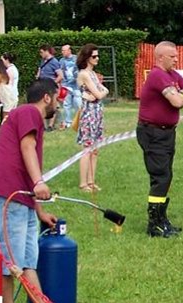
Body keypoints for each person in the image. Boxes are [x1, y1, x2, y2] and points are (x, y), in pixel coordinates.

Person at [0, 78, 80, 303]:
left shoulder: (29, 118)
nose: (57, 105)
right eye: (56, 98)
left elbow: (27, 159)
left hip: (20, 197)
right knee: (8, 257)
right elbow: (27, 146)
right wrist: (39, 181)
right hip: (5, 195)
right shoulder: (28, 112)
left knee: (27, 259)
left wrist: (39, 210)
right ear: (47, 97)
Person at [137, 41, 183, 238]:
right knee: (161, 177)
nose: (176, 59)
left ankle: (162, 219)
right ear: (160, 58)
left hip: (166, 133)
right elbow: (177, 102)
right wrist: (182, 94)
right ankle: (154, 223)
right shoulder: (157, 75)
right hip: (153, 133)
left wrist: (181, 93)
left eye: (176, 55)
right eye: (172, 56)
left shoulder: (172, 75)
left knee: (166, 176)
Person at [76, 44, 108, 193]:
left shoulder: (93, 74)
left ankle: (91, 181)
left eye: (97, 56)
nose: (97, 59)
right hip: (89, 114)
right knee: (87, 148)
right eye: (94, 56)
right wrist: (102, 91)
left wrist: (101, 91)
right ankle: (83, 184)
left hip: (97, 112)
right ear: (87, 57)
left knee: (95, 150)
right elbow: (99, 93)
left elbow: (100, 93)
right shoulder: (84, 74)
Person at [36, 45, 63, 131]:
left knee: (52, 105)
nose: (40, 54)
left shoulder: (54, 62)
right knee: (42, 105)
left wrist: (52, 83)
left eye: (41, 52)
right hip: (42, 85)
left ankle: (50, 125)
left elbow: (60, 76)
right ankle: (43, 125)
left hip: (50, 87)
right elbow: (40, 70)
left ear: (46, 51)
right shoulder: (43, 61)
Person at [59, 44, 82, 130]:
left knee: (78, 104)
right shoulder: (61, 61)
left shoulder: (76, 59)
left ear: (69, 51)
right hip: (65, 85)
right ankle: (68, 122)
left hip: (76, 86)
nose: (62, 52)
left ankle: (79, 121)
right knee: (66, 104)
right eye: (62, 50)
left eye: (64, 50)